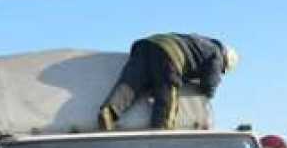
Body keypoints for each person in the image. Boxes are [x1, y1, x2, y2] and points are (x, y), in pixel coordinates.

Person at [99, 33, 238, 131]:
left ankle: (109, 112)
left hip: (146, 45)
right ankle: (161, 133)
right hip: (169, 53)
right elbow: (209, 85)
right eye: (222, 71)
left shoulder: (201, 42)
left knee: (129, 86)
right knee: (166, 98)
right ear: (225, 61)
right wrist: (207, 88)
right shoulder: (217, 54)